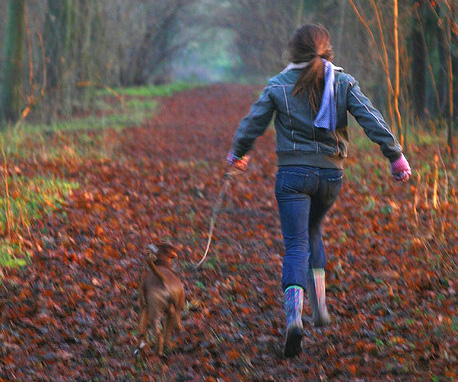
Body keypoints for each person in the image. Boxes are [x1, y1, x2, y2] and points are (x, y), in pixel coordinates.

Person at [226, 24, 411, 358]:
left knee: (296, 244)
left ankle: (294, 318)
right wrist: (395, 156)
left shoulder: (277, 85)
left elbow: (253, 122)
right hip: (330, 176)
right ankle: (320, 307)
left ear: (292, 52)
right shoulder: (342, 82)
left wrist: (239, 152)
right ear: (328, 50)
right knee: (314, 230)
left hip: (293, 175)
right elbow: (371, 119)